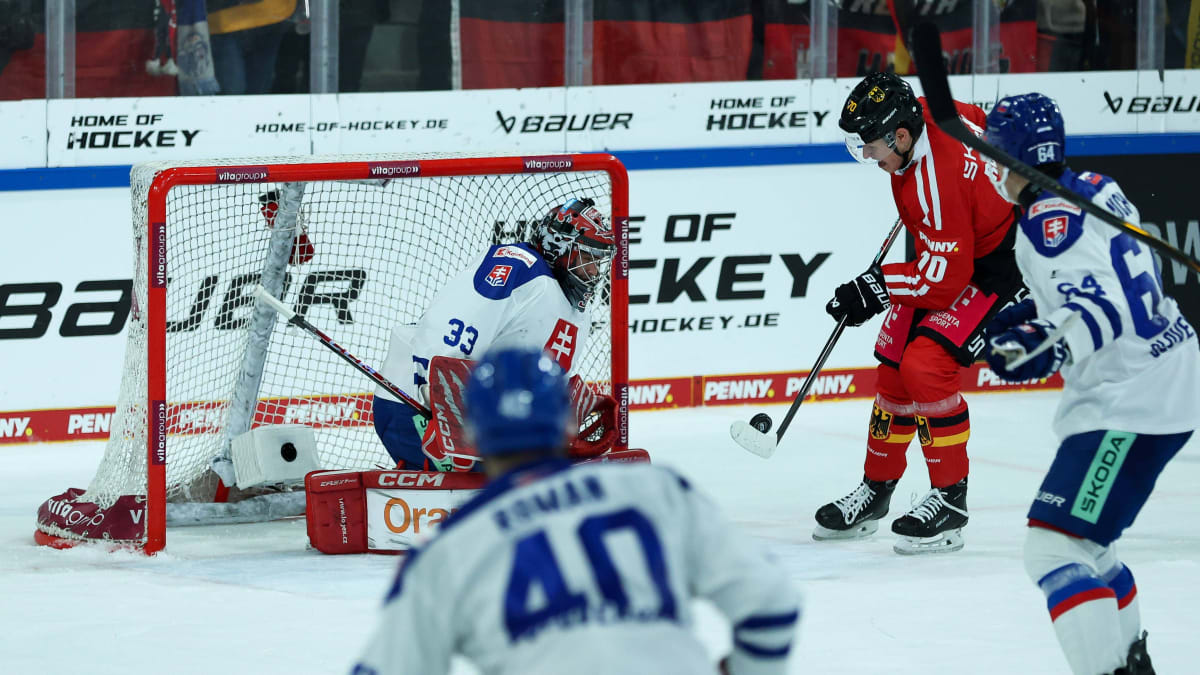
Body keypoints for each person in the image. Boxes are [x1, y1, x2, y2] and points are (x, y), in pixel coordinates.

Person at [352, 346, 801, 675]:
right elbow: (772, 603)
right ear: (568, 421)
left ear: (472, 431)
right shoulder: (655, 488)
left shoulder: (446, 550)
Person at [982, 92, 1200, 675]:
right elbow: (1104, 276)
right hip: (1167, 372)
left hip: (1132, 399)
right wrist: (1033, 313)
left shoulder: (1046, 224)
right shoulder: (1094, 185)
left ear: (1009, 160)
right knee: (1088, 545)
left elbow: (1100, 306)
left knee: (1052, 547)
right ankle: (1131, 665)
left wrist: (1044, 339)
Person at [814, 71, 1023, 554]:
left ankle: (951, 502)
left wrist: (875, 287)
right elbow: (980, 120)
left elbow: (944, 280)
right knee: (892, 365)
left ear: (901, 136)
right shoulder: (923, 109)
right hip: (952, 246)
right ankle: (877, 490)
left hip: (995, 265)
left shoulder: (935, 180)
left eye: (871, 146)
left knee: (926, 366)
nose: (868, 156)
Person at [373, 197, 615, 471]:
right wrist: (435, 399)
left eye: (598, 261)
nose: (594, 272)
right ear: (558, 246)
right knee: (507, 493)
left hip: (474, 423)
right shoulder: (518, 266)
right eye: (586, 258)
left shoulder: (577, 311)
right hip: (414, 407)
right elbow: (451, 326)